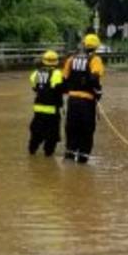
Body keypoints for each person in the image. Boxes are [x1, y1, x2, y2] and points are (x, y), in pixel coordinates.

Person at [63, 34, 105, 164]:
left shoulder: (71, 59)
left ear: (84, 44)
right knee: (86, 130)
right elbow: (95, 79)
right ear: (96, 46)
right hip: (87, 102)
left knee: (72, 128)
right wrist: (98, 93)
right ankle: (82, 159)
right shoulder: (95, 60)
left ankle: (69, 156)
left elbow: (64, 79)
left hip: (72, 101)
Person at [28, 50, 65, 157]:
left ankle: (32, 150)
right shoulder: (57, 73)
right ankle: (48, 154)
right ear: (56, 61)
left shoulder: (36, 73)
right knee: (51, 135)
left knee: (36, 132)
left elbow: (34, 87)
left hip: (38, 109)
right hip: (52, 110)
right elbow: (58, 88)